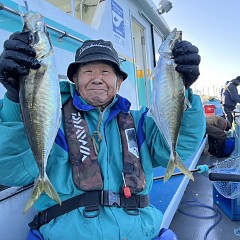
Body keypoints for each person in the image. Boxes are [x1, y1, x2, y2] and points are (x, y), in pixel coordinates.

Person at [0, 31, 205, 240]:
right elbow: (9, 170)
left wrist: (181, 89)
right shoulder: (51, 121)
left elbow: (182, 144)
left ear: (119, 82)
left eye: (106, 71)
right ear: (74, 79)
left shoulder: (140, 122)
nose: (97, 79)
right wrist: (17, 100)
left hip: (140, 232)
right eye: (88, 71)